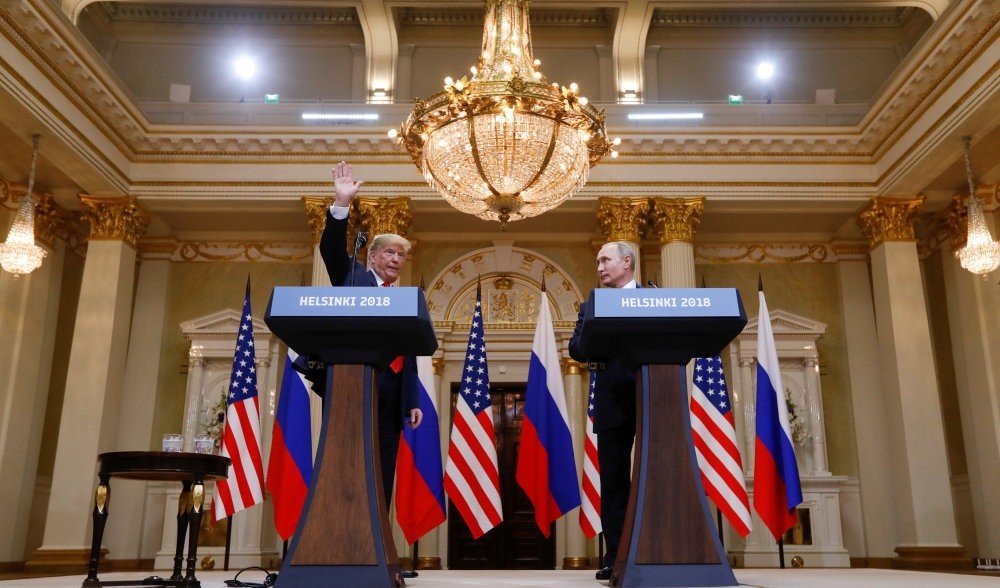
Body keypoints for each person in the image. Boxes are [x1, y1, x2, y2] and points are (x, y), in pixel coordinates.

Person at [304, 161, 423, 578]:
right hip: (352, 388)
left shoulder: (403, 298)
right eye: (390, 252)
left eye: (401, 255)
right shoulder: (353, 276)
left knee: (382, 475)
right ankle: (337, 546)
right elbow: (331, 251)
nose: (396, 259)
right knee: (346, 467)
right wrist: (341, 204)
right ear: (373, 255)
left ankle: (380, 552)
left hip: (390, 398)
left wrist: (411, 400)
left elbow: (409, 354)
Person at [568, 241, 639, 582]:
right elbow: (576, 348)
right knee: (613, 485)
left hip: (654, 399)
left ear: (627, 262)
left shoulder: (654, 301)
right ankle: (617, 557)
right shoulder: (591, 307)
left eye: (605, 259)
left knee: (657, 478)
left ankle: (655, 548)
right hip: (611, 404)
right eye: (597, 260)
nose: (599, 266)